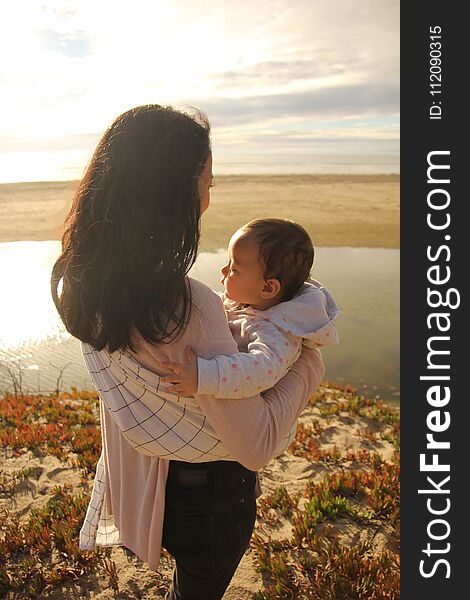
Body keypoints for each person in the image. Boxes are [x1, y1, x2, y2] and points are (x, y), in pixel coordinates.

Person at [51, 104, 324, 600]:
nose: (207, 201)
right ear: (172, 191)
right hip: (210, 499)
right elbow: (256, 444)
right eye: (207, 185)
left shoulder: (81, 279)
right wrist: (307, 366)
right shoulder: (188, 305)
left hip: (145, 483)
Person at [160, 218, 339, 399]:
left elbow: (261, 370)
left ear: (267, 288)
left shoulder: (274, 330)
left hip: (244, 410)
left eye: (234, 269)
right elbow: (212, 303)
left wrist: (203, 377)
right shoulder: (246, 301)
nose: (223, 270)